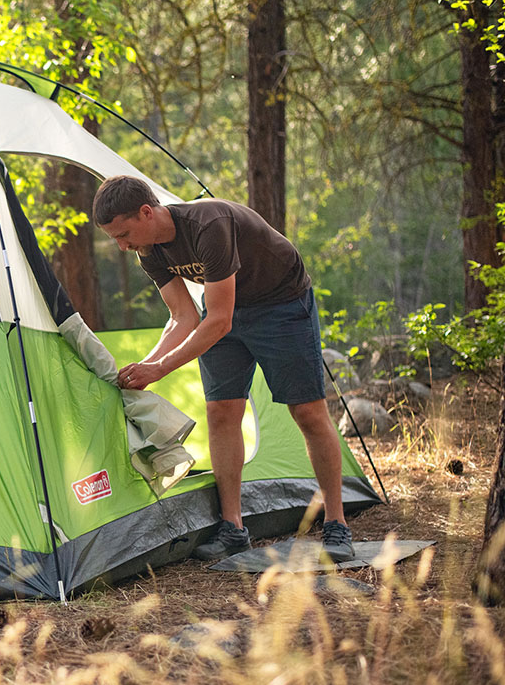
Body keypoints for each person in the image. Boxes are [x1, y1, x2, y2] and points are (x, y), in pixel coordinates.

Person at [92, 175, 354, 563]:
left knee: (307, 412)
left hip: (282, 305)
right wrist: (146, 365)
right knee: (221, 411)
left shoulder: (207, 226)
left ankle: (337, 524)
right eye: (115, 238)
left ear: (147, 212)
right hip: (225, 311)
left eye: (124, 233)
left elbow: (218, 322)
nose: (122, 245)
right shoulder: (148, 251)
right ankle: (233, 529)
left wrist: (161, 369)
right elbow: (181, 316)